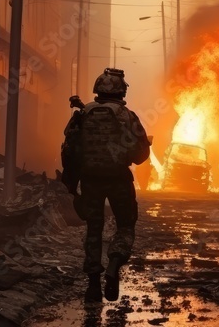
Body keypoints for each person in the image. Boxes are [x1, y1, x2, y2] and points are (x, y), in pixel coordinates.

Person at [61, 68, 151, 304]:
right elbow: (141, 154)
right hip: (118, 179)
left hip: (90, 179)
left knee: (93, 229)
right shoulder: (126, 116)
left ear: (98, 89)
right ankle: (113, 263)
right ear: (121, 91)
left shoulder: (83, 114)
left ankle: (93, 285)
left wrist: (71, 184)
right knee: (125, 226)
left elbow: (69, 150)